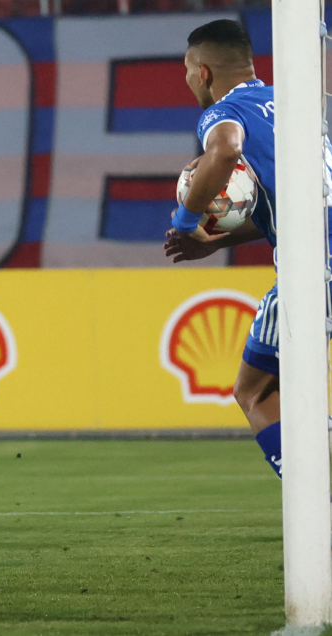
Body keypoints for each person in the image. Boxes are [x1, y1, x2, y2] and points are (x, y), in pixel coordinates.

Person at [165, 19, 332, 477]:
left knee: (254, 391)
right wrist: (217, 242)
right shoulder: (296, 103)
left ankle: (316, 503)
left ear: (203, 73)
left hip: (314, 271)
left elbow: (224, 151)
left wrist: (187, 221)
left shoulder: (224, 112)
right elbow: (298, 203)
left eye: (185, 71)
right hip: (321, 247)